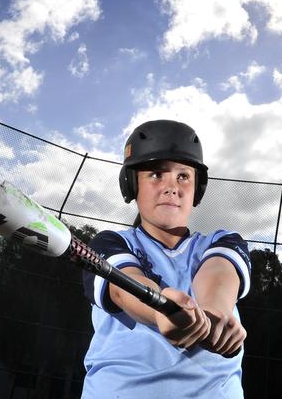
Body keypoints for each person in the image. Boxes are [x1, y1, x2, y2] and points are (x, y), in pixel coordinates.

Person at [81, 120, 251, 398]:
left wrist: (210, 318)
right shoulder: (112, 243)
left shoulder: (223, 242)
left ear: (199, 187)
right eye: (156, 175)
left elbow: (220, 274)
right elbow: (125, 290)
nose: (171, 187)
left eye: (183, 176)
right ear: (131, 183)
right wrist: (162, 312)